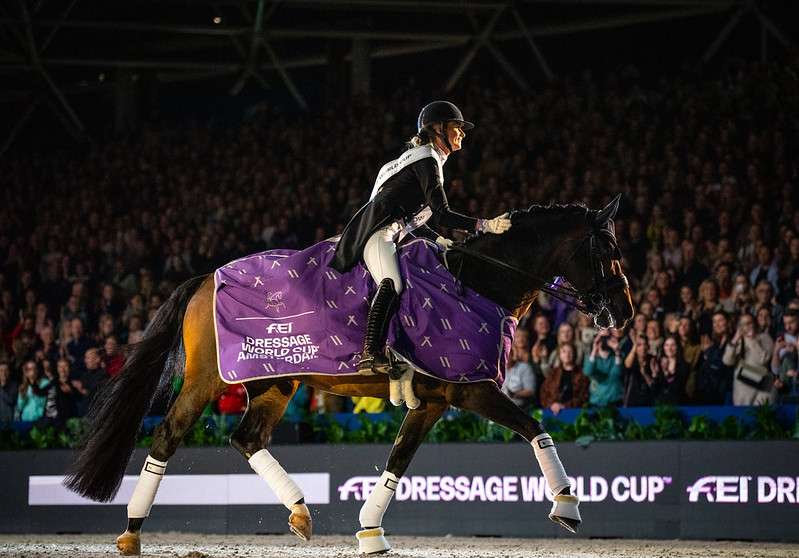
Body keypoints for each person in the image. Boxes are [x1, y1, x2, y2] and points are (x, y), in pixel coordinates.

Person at [330, 101, 512, 376]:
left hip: (394, 231)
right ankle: (371, 352)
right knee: (392, 283)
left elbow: (415, 220)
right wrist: (484, 225)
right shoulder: (427, 158)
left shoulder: (421, 159)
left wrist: (440, 241)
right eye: (457, 128)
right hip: (379, 235)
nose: (462, 133)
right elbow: (443, 213)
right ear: (438, 129)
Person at [722, 312, 775, 406]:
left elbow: (763, 360)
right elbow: (727, 361)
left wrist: (752, 340)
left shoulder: (765, 338)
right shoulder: (736, 341)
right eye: (743, 324)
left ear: (755, 323)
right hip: (742, 389)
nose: (747, 326)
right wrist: (735, 339)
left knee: (762, 416)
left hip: (763, 386)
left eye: (749, 323)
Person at [539, 344, 589, 415]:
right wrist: (551, 405)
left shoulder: (581, 374)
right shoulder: (553, 373)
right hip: (552, 411)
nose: (567, 354)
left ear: (574, 354)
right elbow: (543, 392)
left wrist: (565, 406)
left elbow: (584, 396)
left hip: (573, 412)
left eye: (570, 352)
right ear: (559, 355)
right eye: (564, 351)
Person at [583, 330, 624, 407]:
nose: (604, 341)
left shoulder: (618, 356)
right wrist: (595, 349)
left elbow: (616, 374)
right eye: (602, 338)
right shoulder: (591, 357)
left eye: (607, 338)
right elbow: (587, 372)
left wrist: (617, 351)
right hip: (596, 401)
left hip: (615, 400)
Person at [650, 335, 689, 405]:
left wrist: (666, 372)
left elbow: (678, 388)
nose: (669, 348)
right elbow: (654, 390)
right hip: (661, 405)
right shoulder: (657, 364)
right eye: (667, 345)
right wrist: (654, 374)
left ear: (677, 347)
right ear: (663, 347)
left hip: (679, 404)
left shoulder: (684, 366)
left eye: (672, 345)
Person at [501, 338, 537, 412]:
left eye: (508, 354)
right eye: (503, 354)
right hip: (499, 408)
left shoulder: (525, 368)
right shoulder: (498, 370)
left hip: (519, 408)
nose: (505, 357)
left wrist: (514, 394)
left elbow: (530, 391)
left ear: (513, 354)